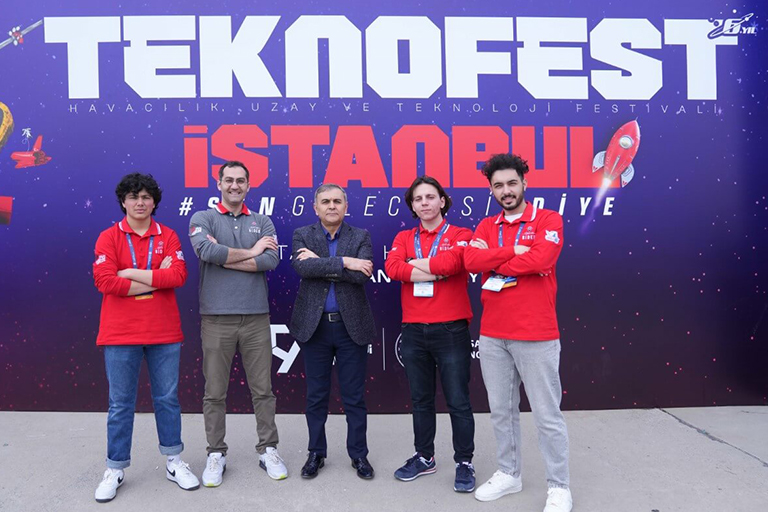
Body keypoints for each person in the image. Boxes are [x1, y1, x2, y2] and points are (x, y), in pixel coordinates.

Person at [464, 153, 572, 512]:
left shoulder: (547, 219)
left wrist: (494, 258)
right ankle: (509, 473)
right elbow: (471, 261)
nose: (506, 190)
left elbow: (542, 259)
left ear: (524, 183)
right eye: (498, 185)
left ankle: (559, 485)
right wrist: (511, 251)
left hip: (536, 334)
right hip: (493, 334)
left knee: (546, 415)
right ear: (491, 190)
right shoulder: (486, 225)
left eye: (512, 183)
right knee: (501, 410)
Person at [92, 173, 198, 502]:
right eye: (133, 197)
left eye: (146, 197)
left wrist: (129, 273)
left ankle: (174, 461)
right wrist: (156, 277)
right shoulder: (109, 237)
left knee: (167, 399)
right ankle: (115, 467)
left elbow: (178, 275)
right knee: (120, 404)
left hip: (163, 331)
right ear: (123, 202)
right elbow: (105, 282)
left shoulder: (168, 235)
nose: (140, 202)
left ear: (154, 202)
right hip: (120, 333)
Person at [188, 161, 287, 487]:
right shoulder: (203, 218)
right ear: (219, 184)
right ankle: (216, 453)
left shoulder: (262, 221)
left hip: (256, 317)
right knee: (215, 392)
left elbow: (270, 260)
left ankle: (268, 449)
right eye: (228, 180)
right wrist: (251, 252)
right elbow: (207, 251)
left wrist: (230, 257)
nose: (234, 185)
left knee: (263, 390)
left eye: (240, 180)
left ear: (248, 185)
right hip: (217, 318)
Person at [384, 176, 476, 492]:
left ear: (442, 201)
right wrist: (434, 270)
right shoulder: (404, 236)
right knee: (421, 399)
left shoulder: (461, 234)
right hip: (413, 330)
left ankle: (464, 462)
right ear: (412, 205)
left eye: (430, 197)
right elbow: (393, 268)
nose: (424, 203)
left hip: (451, 329)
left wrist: (415, 264)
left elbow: (454, 263)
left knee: (458, 400)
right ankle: (425, 457)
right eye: (418, 198)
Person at [289, 183, 376, 480]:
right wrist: (345, 262)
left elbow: (361, 276)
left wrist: (322, 263)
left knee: (354, 397)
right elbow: (304, 269)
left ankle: (359, 454)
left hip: (352, 327)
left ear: (346, 206)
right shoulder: (303, 234)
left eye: (337, 201)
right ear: (316, 208)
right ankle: (316, 452)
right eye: (325, 201)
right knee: (316, 396)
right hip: (315, 328)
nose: (331, 206)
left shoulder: (360, 236)